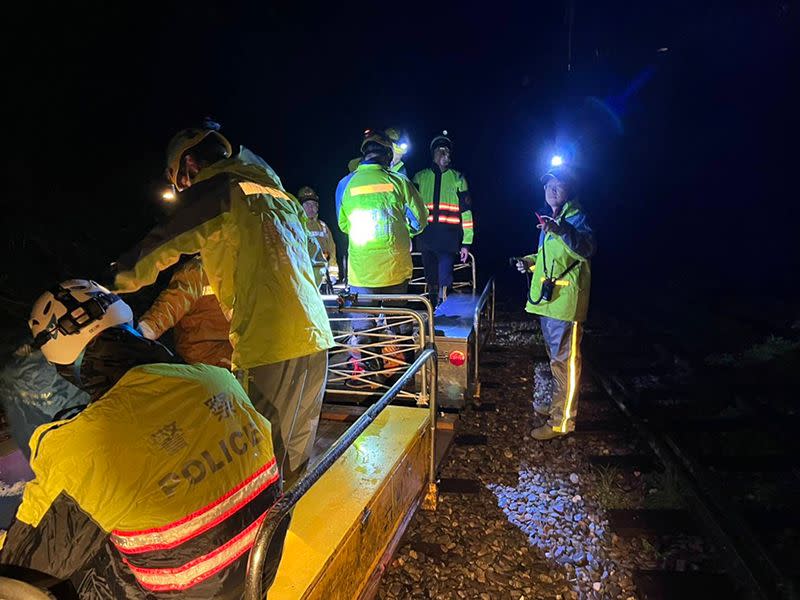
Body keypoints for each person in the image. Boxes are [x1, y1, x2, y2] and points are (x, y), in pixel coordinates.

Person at [0, 280, 285, 598]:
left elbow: (24, 567)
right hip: (262, 566)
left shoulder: (87, 442)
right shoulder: (217, 379)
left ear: (63, 365)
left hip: (191, 591)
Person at [113, 121, 334, 485]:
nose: (185, 192)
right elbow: (314, 259)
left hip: (268, 342)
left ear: (189, 165)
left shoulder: (220, 188)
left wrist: (108, 284)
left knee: (258, 457)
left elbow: (164, 243)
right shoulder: (276, 192)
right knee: (294, 456)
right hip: (315, 337)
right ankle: (287, 531)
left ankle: (259, 539)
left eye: (180, 183)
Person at [336, 129, 428, 386]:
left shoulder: (346, 184)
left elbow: (344, 224)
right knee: (399, 324)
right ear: (387, 155)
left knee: (364, 328)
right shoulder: (399, 182)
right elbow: (420, 220)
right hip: (394, 269)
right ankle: (406, 376)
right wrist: (403, 230)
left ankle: (368, 374)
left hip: (361, 273)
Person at [515, 166, 595, 440]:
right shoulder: (553, 219)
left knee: (565, 363)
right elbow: (550, 258)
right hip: (550, 304)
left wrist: (560, 230)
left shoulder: (576, 218)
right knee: (557, 362)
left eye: (558, 185)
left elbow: (587, 249)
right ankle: (556, 407)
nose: (551, 190)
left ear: (570, 189)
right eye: (548, 186)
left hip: (565, 304)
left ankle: (562, 421)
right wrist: (528, 262)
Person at [412, 132, 474, 306]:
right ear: (433, 154)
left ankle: (444, 309)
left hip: (449, 238)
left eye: (447, 150)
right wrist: (409, 235)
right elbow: (409, 209)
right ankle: (432, 310)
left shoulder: (458, 178)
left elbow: (466, 213)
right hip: (426, 236)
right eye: (440, 150)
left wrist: (466, 243)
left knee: (445, 276)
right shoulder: (419, 177)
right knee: (430, 277)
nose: (444, 154)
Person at [137, 256, 233, 368]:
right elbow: (174, 301)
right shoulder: (205, 270)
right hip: (193, 350)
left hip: (210, 356)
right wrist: (144, 332)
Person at [297, 186, 339, 290]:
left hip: (324, 280)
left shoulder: (323, 226)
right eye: (307, 204)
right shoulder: (297, 225)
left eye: (314, 204)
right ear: (300, 206)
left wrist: (333, 273)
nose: (311, 208)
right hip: (304, 280)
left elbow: (332, 250)